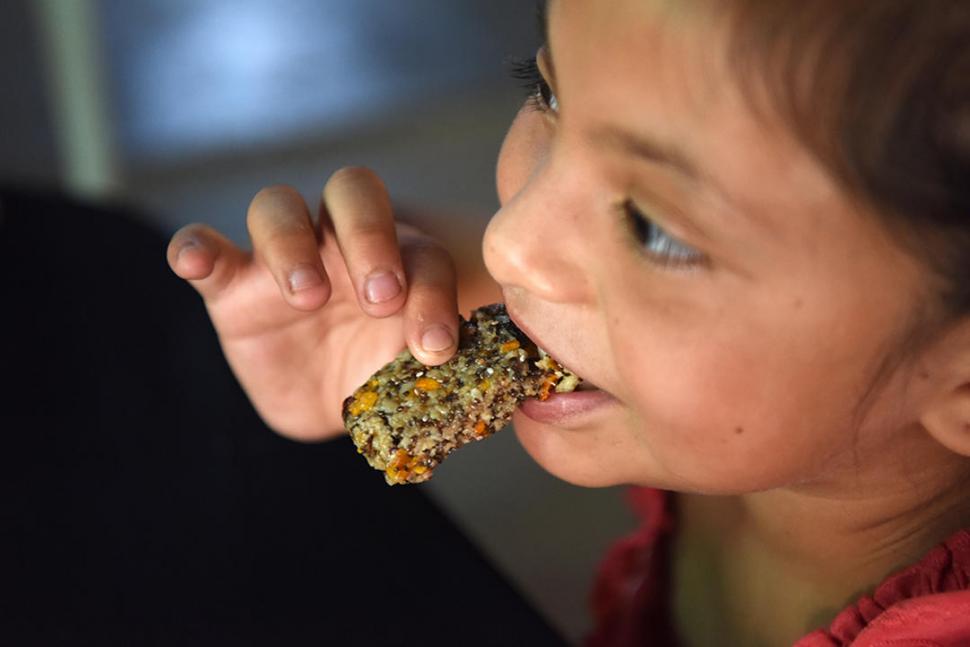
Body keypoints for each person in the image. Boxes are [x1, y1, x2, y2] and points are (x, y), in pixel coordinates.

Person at [167, 1, 970, 645]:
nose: (509, 242)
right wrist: (388, 306)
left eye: (655, 227)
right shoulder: (729, 409)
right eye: (548, 92)